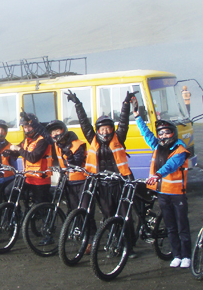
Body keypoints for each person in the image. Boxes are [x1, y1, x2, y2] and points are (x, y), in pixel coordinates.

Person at [67, 90, 139, 256]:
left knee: (124, 216)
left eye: (108, 128)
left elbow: (123, 122)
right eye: (102, 129)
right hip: (102, 185)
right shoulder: (93, 139)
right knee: (108, 216)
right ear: (98, 130)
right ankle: (115, 242)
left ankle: (129, 247)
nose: (105, 132)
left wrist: (126, 103)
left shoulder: (119, 137)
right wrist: (78, 104)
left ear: (112, 129)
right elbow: (84, 123)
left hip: (120, 183)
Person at [133, 97, 192, 268]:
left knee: (182, 227)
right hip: (163, 193)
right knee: (171, 227)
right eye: (161, 133)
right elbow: (146, 134)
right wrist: (137, 116)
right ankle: (176, 255)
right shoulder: (157, 146)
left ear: (174, 133)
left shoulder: (180, 150)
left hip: (177, 194)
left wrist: (158, 174)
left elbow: (171, 165)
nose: (163, 136)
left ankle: (186, 255)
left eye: (167, 133)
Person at [10, 112, 53, 205]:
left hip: (41, 180)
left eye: (29, 127)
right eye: (24, 127)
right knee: (14, 194)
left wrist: (19, 149)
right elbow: (17, 150)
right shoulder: (26, 140)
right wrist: (8, 152)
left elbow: (33, 158)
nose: (27, 130)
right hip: (29, 178)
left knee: (41, 207)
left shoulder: (42, 140)